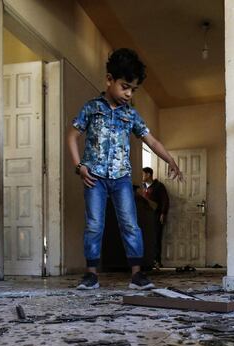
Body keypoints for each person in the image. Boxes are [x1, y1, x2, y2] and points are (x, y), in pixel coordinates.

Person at [67, 48, 182, 290]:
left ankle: (137, 276)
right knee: (94, 224)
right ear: (109, 80)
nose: (129, 93)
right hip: (94, 178)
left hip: (121, 179)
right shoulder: (91, 108)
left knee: (130, 224)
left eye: (133, 89)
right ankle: (91, 275)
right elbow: (72, 136)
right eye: (125, 86)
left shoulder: (131, 116)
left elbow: (152, 141)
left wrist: (170, 160)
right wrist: (80, 167)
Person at [137, 166, 169, 268]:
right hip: (145, 217)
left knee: (156, 237)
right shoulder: (142, 186)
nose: (141, 176)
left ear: (148, 174)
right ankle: (147, 260)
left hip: (156, 216)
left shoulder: (159, 186)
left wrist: (163, 213)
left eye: (142, 174)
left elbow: (165, 200)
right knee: (145, 238)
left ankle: (157, 261)